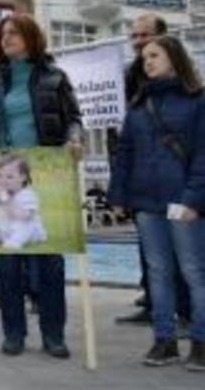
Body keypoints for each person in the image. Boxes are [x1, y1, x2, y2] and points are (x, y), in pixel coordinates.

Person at [0, 14, 82, 359]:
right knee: (8, 264)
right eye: (2, 34)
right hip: (3, 181)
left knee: (49, 261)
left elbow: (73, 120)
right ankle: (13, 334)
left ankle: (53, 335)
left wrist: (74, 139)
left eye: (14, 33)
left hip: (45, 178)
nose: (6, 39)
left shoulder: (55, 78)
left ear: (32, 37)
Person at [108, 35, 205, 371]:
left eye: (154, 55)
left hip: (184, 203)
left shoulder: (197, 101)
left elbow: (203, 157)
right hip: (147, 204)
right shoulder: (138, 106)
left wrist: (193, 199)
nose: (147, 61)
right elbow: (125, 154)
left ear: (175, 59)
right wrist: (117, 196)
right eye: (144, 57)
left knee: (194, 273)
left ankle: (201, 341)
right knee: (158, 274)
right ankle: (165, 341)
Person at [114, 14, 191, 329]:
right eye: (133, 36)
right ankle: (155, 308)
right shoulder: (131, 74)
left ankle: (188, 315)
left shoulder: (189, 90)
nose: (137, 42)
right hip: (145, 182)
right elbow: (128, 135)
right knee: (152, 256)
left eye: (144, 35)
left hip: (179, 185)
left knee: (187, 260)